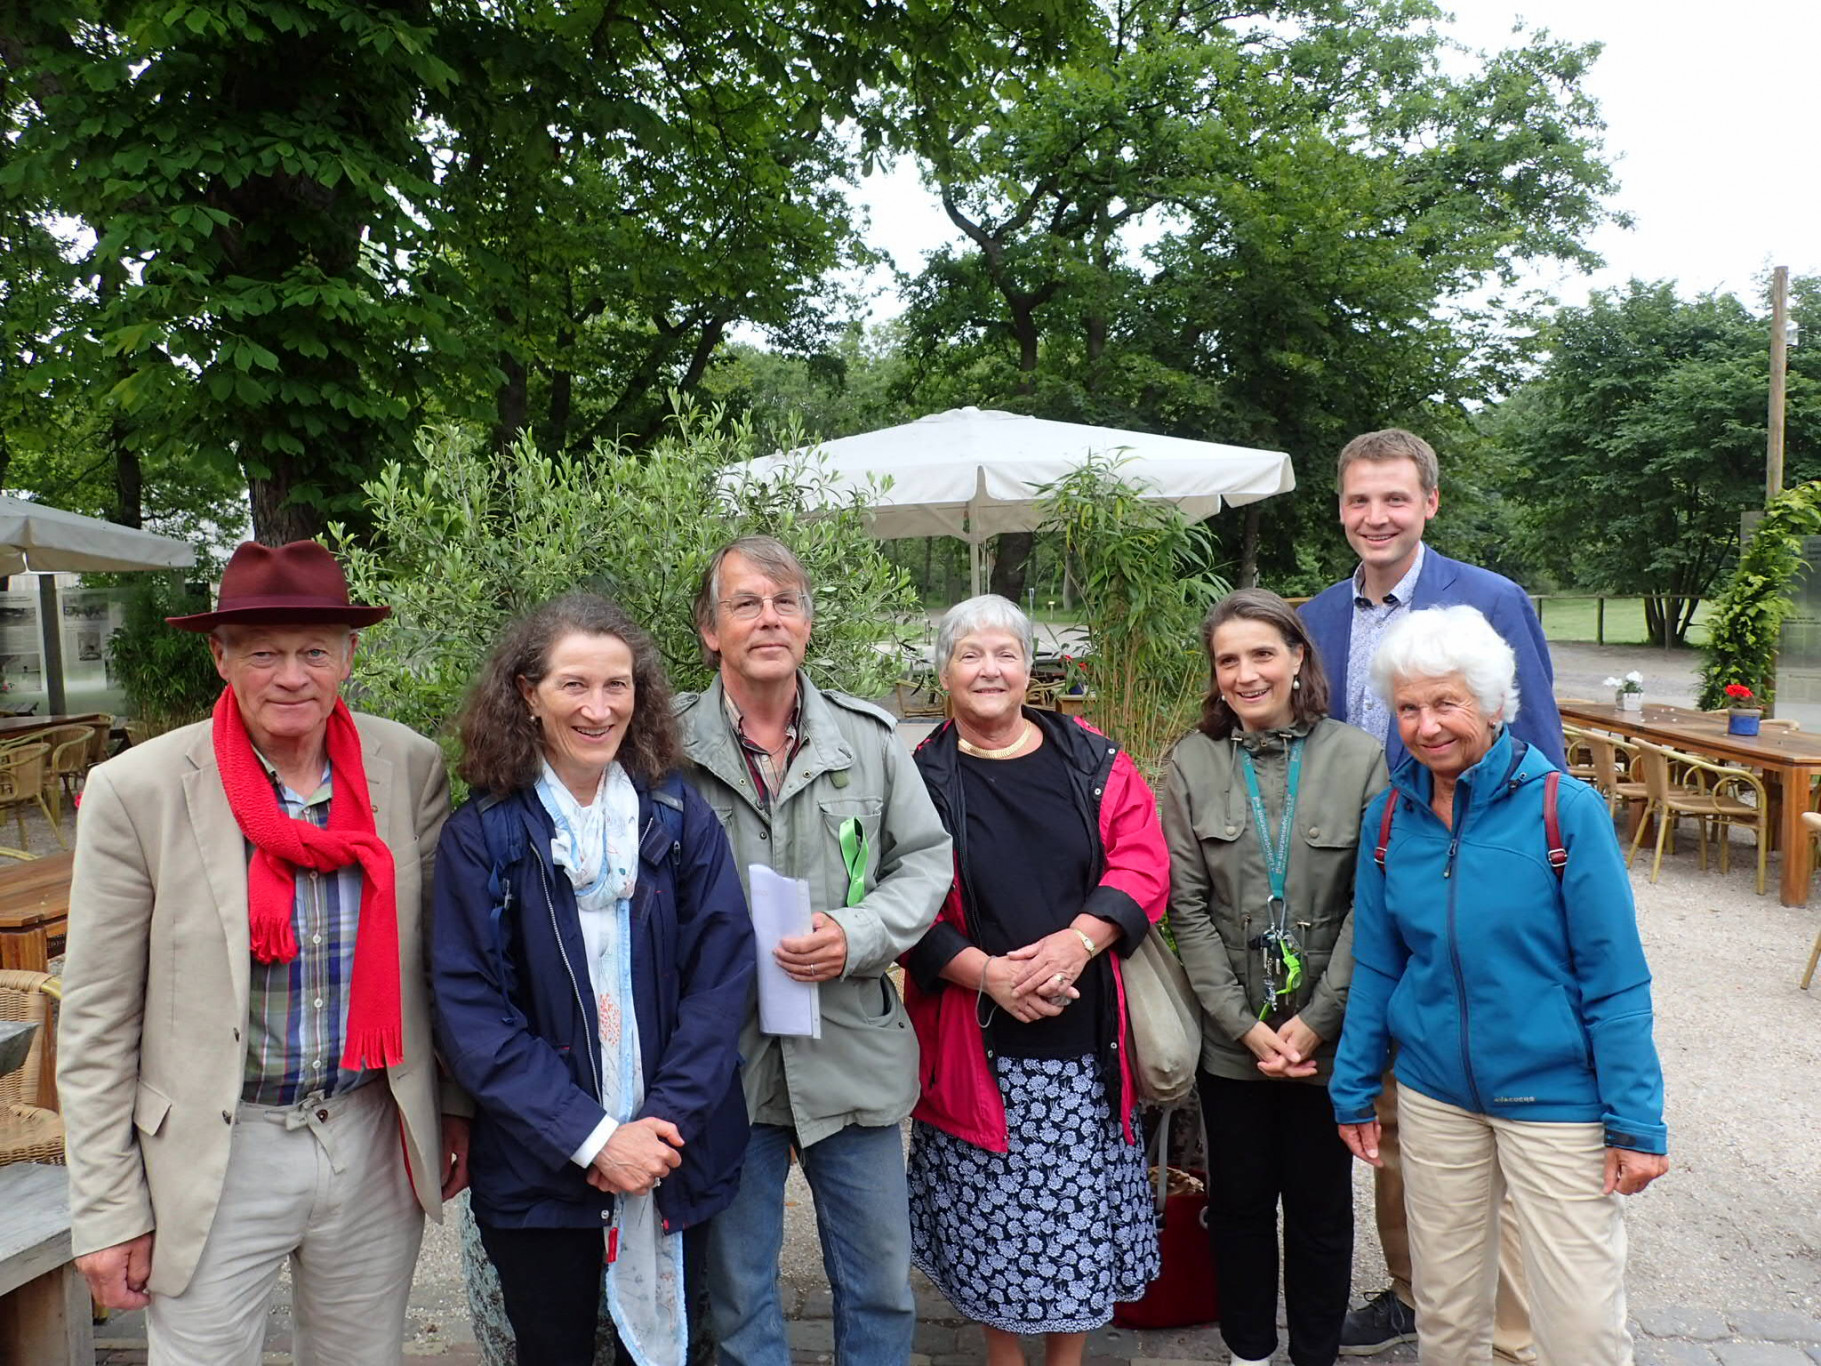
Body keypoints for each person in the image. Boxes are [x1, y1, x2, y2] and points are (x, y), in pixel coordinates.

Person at [59, 540, 469, 1364]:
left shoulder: (408, 768)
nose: (292, 676)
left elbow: (440, 964)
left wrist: (452, 1107)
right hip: (219, 1148)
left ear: (349, 658)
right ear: (221, 656)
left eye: (314, 651)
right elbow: (98, 1018)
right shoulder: (138, 791)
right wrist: (108, 1211)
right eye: (264, 653)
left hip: (367, 1130)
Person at [1330, 604, 1669, 1366]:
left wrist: (1636, 1122)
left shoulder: (1563, 812)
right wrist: (1353, 1084)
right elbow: (1380, 963)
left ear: (1491, 704)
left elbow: (1614, 979)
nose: (1425, 726)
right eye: (1409, 707)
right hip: (1432, 1096)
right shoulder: (1391, 819)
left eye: (1445, 703)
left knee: (1578, 1322)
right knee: (1447, 1319)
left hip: (1555, 1102)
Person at [432, 593, 755, 1365]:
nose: (598, 707)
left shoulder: (678, 818)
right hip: (540, 1167)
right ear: (526, 694)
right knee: (554, 1351)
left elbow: (720, 979)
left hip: (675, 1154)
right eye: (574, 684)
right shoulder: (483, 835)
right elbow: (471, 1011)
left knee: (682, 1350)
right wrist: (593, 1139)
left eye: (618, 685)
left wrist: (660, 1129)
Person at [1298, 427, 1562, 1358]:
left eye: (1394, 500)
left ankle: (1513, 1322)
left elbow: (1539, 750)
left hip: (1460, 881)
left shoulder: (1489, 602)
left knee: (1483, 1095)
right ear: (1340, 509)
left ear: (1429, 505)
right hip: (1348, 891)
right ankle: (1415, 1291)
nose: (1376, 516)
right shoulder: (1315, 618)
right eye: (1359, 500)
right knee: (1386, 1110)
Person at [675, 535, 953, 1366]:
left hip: (850, 1051)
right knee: (738, 1294)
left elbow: (926, 861)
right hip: (725, 1066)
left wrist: (855, 935)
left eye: (784, 601)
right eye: (745, 604)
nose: (768, 619)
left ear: (807, 621)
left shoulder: (867, 740)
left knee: (878, 1287)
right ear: (709, 630)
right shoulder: (665, 749)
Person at [902, 594, 1165, 1366]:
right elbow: (898, 902)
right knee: (988, 1216)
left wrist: (1077, 943)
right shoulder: (920, 776)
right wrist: (988, 975)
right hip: (975, 1040)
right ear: (943, 672)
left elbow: (1143, 862)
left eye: (1004, 653)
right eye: (969, 654)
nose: (988, 669)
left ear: (1029, 670)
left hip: (1083, 1034)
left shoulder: (1092, 759)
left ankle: (1066, 1359)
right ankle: (1002, 1356)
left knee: (1073, 1217)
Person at [1162, 589, 1387, 1366]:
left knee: (1323, 1211)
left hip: (1328, 1037)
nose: (1246, 673)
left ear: (1298, 658)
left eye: (1262, 654)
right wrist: (1242, 1025)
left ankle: (1315, 1354)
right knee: (1241, 1206)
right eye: (1229, 660)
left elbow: (1373, 905)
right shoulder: (1189, 763)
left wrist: (1317, 1020)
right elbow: (1184, 910)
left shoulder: (1360, 759)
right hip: (1235, 1042)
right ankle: (1249, 1351)